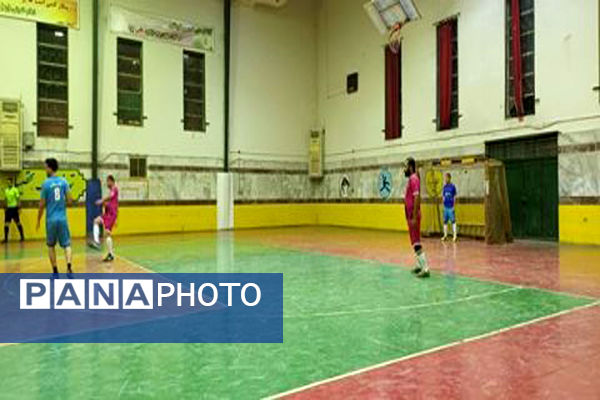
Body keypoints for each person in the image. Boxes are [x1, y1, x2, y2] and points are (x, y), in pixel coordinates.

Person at [36, 158, 73, 275]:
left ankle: (55, 270)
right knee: (67, 245)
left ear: (50, 168)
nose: (45, 170)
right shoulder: (64, 182)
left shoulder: (45, 184)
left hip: (51, 220)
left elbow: (41, 204)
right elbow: (70, 200)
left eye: (46, 167)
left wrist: (38, 219)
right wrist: (61, 204)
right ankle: (69, 266)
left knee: (51, 245)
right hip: (62, 219)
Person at [404, 157, 429, 278]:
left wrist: (414, 216)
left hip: (413, 216)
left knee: (417, 242)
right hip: (410, 216)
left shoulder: (414, 179)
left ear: (410, 167)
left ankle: (425, 268)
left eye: (405, 167)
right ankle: (419, 265)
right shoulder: (411, 179)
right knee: (414, 242)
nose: (404, 169)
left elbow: (417, 198)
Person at [92, 175, 119, 262]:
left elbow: (110, 197)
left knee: (107, 233)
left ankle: (110, 254)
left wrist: (101, 200)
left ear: (112, 181)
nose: (107, 183)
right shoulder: (111, 191)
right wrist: (104, 204)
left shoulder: (114, 189)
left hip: (111, 215)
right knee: (96, 221)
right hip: (107, 214)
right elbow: (110, 203)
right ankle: (96, 242)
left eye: (108, 181)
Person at [3, 177, 25, 243]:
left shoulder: (15, 190)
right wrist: (5, 207)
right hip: (8, 209)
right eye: (7, 182)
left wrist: (19, 208)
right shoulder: (6, 190)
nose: (8, 183)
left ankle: (22, 237)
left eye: (9, 182)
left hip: (14, 208)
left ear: (11, 183)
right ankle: (6, 239)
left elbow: (18, 199)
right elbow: (5, 199)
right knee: (6, 224)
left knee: (17, 222)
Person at [441, 173, 458, 242]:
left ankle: (455, 236)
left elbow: (455, 196)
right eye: (444, 178)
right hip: (445, 206)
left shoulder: (453, 186)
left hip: (451, 206)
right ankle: (445, 235)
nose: (445, 179)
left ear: (449, 178)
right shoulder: (444, 187)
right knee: (445, 221)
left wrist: (453, 205)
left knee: (453, 221)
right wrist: (443, 203)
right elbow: (443, 196)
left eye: (446, 178)